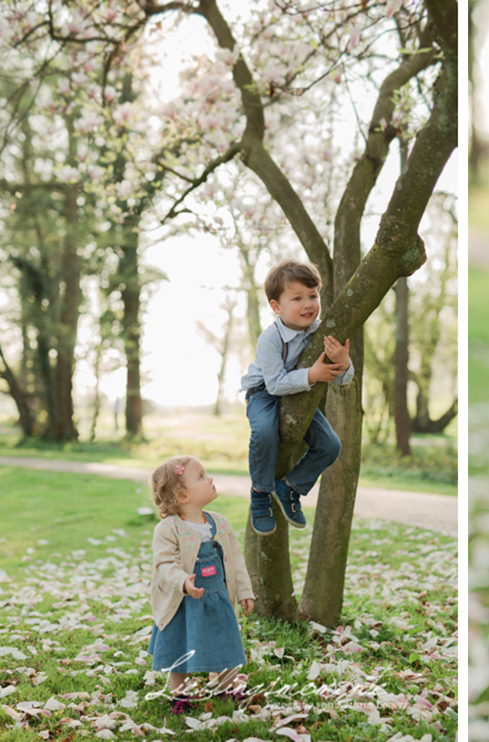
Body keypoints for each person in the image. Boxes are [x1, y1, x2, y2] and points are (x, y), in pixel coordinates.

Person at [240, 259, 353, 535]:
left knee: (330, 446)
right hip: (264, 394)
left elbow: (338, 379)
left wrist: (344, 362)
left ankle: (289, 487)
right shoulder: (271, 338)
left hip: (300, 393)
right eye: (298, 298)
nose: (308, 304)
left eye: (313, 296)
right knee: (265, 433)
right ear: (276, 307)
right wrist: (312, 375)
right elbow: (276, 384)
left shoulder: (321, 332)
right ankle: (260, 493)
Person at [147, 455, 255, 714]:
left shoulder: (219, 523)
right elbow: (165, 564)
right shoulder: (168, 529)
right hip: (182, 602)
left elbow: (235, 560)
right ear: (183, 496)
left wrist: (244, 591)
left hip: (217, 597)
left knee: (225, 639)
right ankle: (180, 695)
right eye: (202, 477)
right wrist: (183, 581)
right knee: (178, 647)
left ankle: (227, 687)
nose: (210, 479)